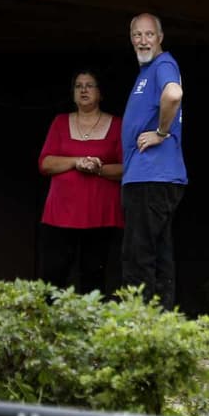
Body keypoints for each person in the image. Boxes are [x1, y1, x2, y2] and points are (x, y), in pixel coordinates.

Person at [37, 69, 124, 293]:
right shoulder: (59, 122)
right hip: (61, 213)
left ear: (100, 93)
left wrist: (97, 168)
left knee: (94, 275)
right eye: (78, 86)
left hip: (100, 213)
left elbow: (128, 169)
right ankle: (51, 326)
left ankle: (91, 327)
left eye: (90, 85)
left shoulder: (117, 125)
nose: (83, 89)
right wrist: (77, 162)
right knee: (53, 275)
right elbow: (45, 164)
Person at [121, 13, 186, 308]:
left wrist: (161, 132)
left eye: (149, 34)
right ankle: (162, 325)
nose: (143, 40)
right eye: (137, 35)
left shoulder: (163, 64)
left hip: (151, 177)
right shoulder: (148, 71)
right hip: (152, 177)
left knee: (139, 255)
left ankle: (141, 327)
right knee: (159, 254)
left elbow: (173, 94)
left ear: (160, 37)